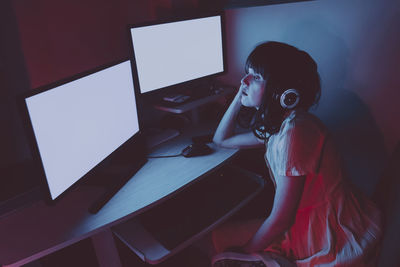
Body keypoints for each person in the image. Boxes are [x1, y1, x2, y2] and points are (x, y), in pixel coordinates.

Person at [211, 41, 382, 267]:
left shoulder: (294, 133)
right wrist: (241, 95)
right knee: (218, 237)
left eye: (256, 77)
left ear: (280, 92)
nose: (245, 81)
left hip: (326, 233)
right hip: (302, 221)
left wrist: (242, 253)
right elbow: (221, 140)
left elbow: (282, 220)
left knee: (221, 249)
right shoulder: (280, 125)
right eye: (246, 74)